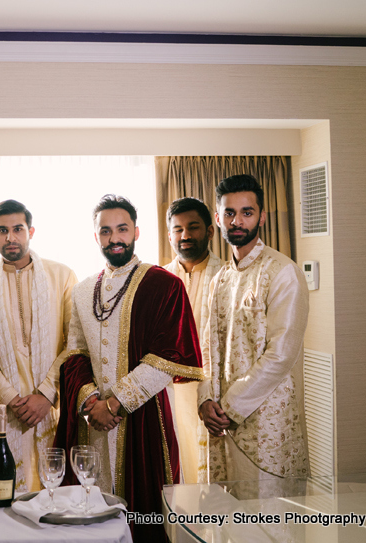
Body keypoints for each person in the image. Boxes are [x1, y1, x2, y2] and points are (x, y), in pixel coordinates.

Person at [55, 194, 203, 542]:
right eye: (105, 231)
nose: (114, 237)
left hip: (143, 421)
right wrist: (91, 402)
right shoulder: (80, 291)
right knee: (93, 517)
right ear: (96, 237)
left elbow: (168, 357)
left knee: (147, 519)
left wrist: (115, 403)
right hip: (92, 425)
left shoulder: (164, 285)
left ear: (136, 231)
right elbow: (75, 353)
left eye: (121, 229)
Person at [198, 174, 310, 483]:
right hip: (220, 422)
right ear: (218, 218)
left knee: (269, 522)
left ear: (261, 216)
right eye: (229, 213)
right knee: (226, 519)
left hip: (267, 422)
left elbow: (281, 354)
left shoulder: (282, 271)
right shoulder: (220, 278)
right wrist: (206, 399)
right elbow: (206, 346)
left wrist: (229, 406)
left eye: (247, 212)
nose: (237, 221)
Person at [0, 199, 77, 491]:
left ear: (31, 231)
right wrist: (10, 396)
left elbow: (74, 342)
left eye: (18, 229)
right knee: (6, 495)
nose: (10, 237)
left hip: (50, 406)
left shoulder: (62, 276)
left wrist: (46, 393)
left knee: (54, 494)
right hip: (3, 408)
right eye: (2, 230)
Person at [163, 197, 223, 483]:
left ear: (210, 231)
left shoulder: (228, 276)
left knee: (215, 485)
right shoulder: (157, 280)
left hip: (214, 394)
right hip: (169, 393)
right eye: (178, 229)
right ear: (169, 234)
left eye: (193, 227)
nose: (185, 235)